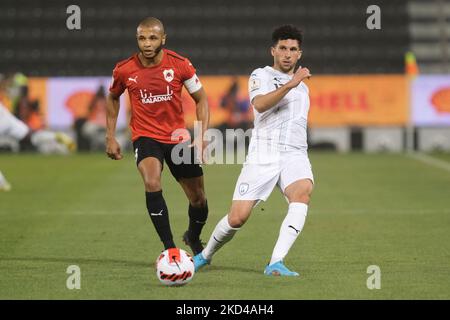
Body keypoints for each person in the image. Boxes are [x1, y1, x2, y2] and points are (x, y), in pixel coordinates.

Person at [194, 25, 314, 276]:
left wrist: (295, 84)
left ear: (299, 54)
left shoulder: (304, 88)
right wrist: (291, 83)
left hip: (295, 153)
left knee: (302, 193)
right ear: (273, 50)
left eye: (293, 49)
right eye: (282, 48)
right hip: (265, 153)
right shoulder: (261, 75)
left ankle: (276, 262)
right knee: (237, 217)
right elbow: (259, 105)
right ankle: (205, 256)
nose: (287, 54)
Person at [106, 17, 210, 255]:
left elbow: (201, 99)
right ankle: (170, 250)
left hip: (177, 139)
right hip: (145, 137)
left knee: (199, 200)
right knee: (152, 182)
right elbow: (113, 97)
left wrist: (202, 136)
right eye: (142, 38)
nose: (147, 43)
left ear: (163, 39)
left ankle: (193, 236)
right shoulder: (125, 69)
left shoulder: (180, 65)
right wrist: (110, 136)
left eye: (153, 38)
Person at [0, 101, 76, 154]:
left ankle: (58, 136)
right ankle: (58, 136)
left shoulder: (4, 117)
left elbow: (30, 137)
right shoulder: (4, 115)